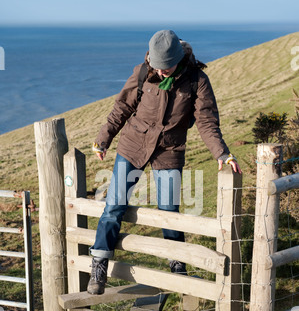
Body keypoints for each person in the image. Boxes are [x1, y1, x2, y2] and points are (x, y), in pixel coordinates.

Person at [87, 30, 241, 295]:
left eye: (164, 67)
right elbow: (121, 108)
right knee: (114, 206)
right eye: (156, 67)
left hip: (169, 151)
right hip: (133, 146)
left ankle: (177, 266)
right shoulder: (143, 72)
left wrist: (222, 153)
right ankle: (99, 265)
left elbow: (206, 122)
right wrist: (103, 139)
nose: (159, 72)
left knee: (170, 212)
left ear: (178, 59)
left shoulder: (197, 80)